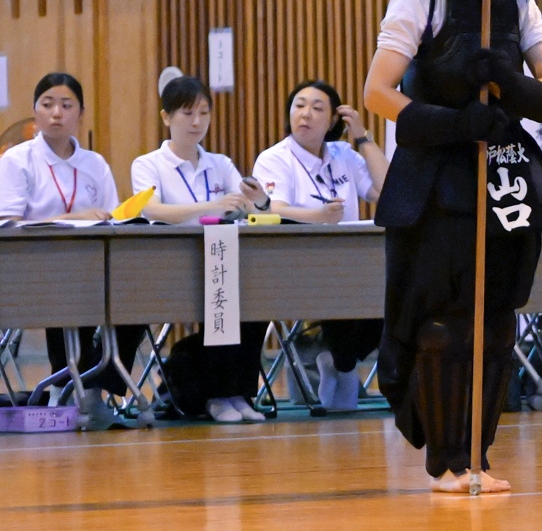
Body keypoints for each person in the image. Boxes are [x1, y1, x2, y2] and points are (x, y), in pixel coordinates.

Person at [365, 0, 542, 493]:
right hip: (437, 178)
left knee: (497, 319)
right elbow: (377, 92)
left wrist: (512, 82)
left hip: (502, 173)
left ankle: (480, 454)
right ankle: (448, 460)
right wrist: (452, 123)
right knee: (446, 320)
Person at [132, 74, 269, 422]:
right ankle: (216, 395)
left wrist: (259, 201)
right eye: (187, 113)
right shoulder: (148, 164)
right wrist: (210, 207)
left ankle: (239, 393)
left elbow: (244, 205)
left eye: (204, 113)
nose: (197, 122)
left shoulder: (220, 163)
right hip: (174, 265)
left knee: (255, 301)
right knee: (220, 305)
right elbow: (153, 210)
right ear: (166, 117)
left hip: (223, 258)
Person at [0, 73, 140, 395]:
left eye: (66, 105)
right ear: (34, 111)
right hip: (32, 269)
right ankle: (71, 388)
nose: (56, 113)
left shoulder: (95, 163)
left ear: (81, 113)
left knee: (139, 295)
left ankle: (94, 385)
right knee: (70, 289)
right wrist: (72, 218)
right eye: (47, 104)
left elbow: (113, 220)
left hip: (92, 269)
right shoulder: (17, 160)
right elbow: (8, 224)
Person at [254, 79, 389, 411]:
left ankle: (339, 361)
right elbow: (271, 209)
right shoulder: (275, 158)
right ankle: (344, 368)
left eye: (317, 108)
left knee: (397, 290)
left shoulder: (344, 155)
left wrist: (363, 138)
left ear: (331, 122)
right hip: (296, 266)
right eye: (299, 106)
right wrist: (317, 217)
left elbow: (388, 192)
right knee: (341, 288)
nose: (306, 114)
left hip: (352, 264)